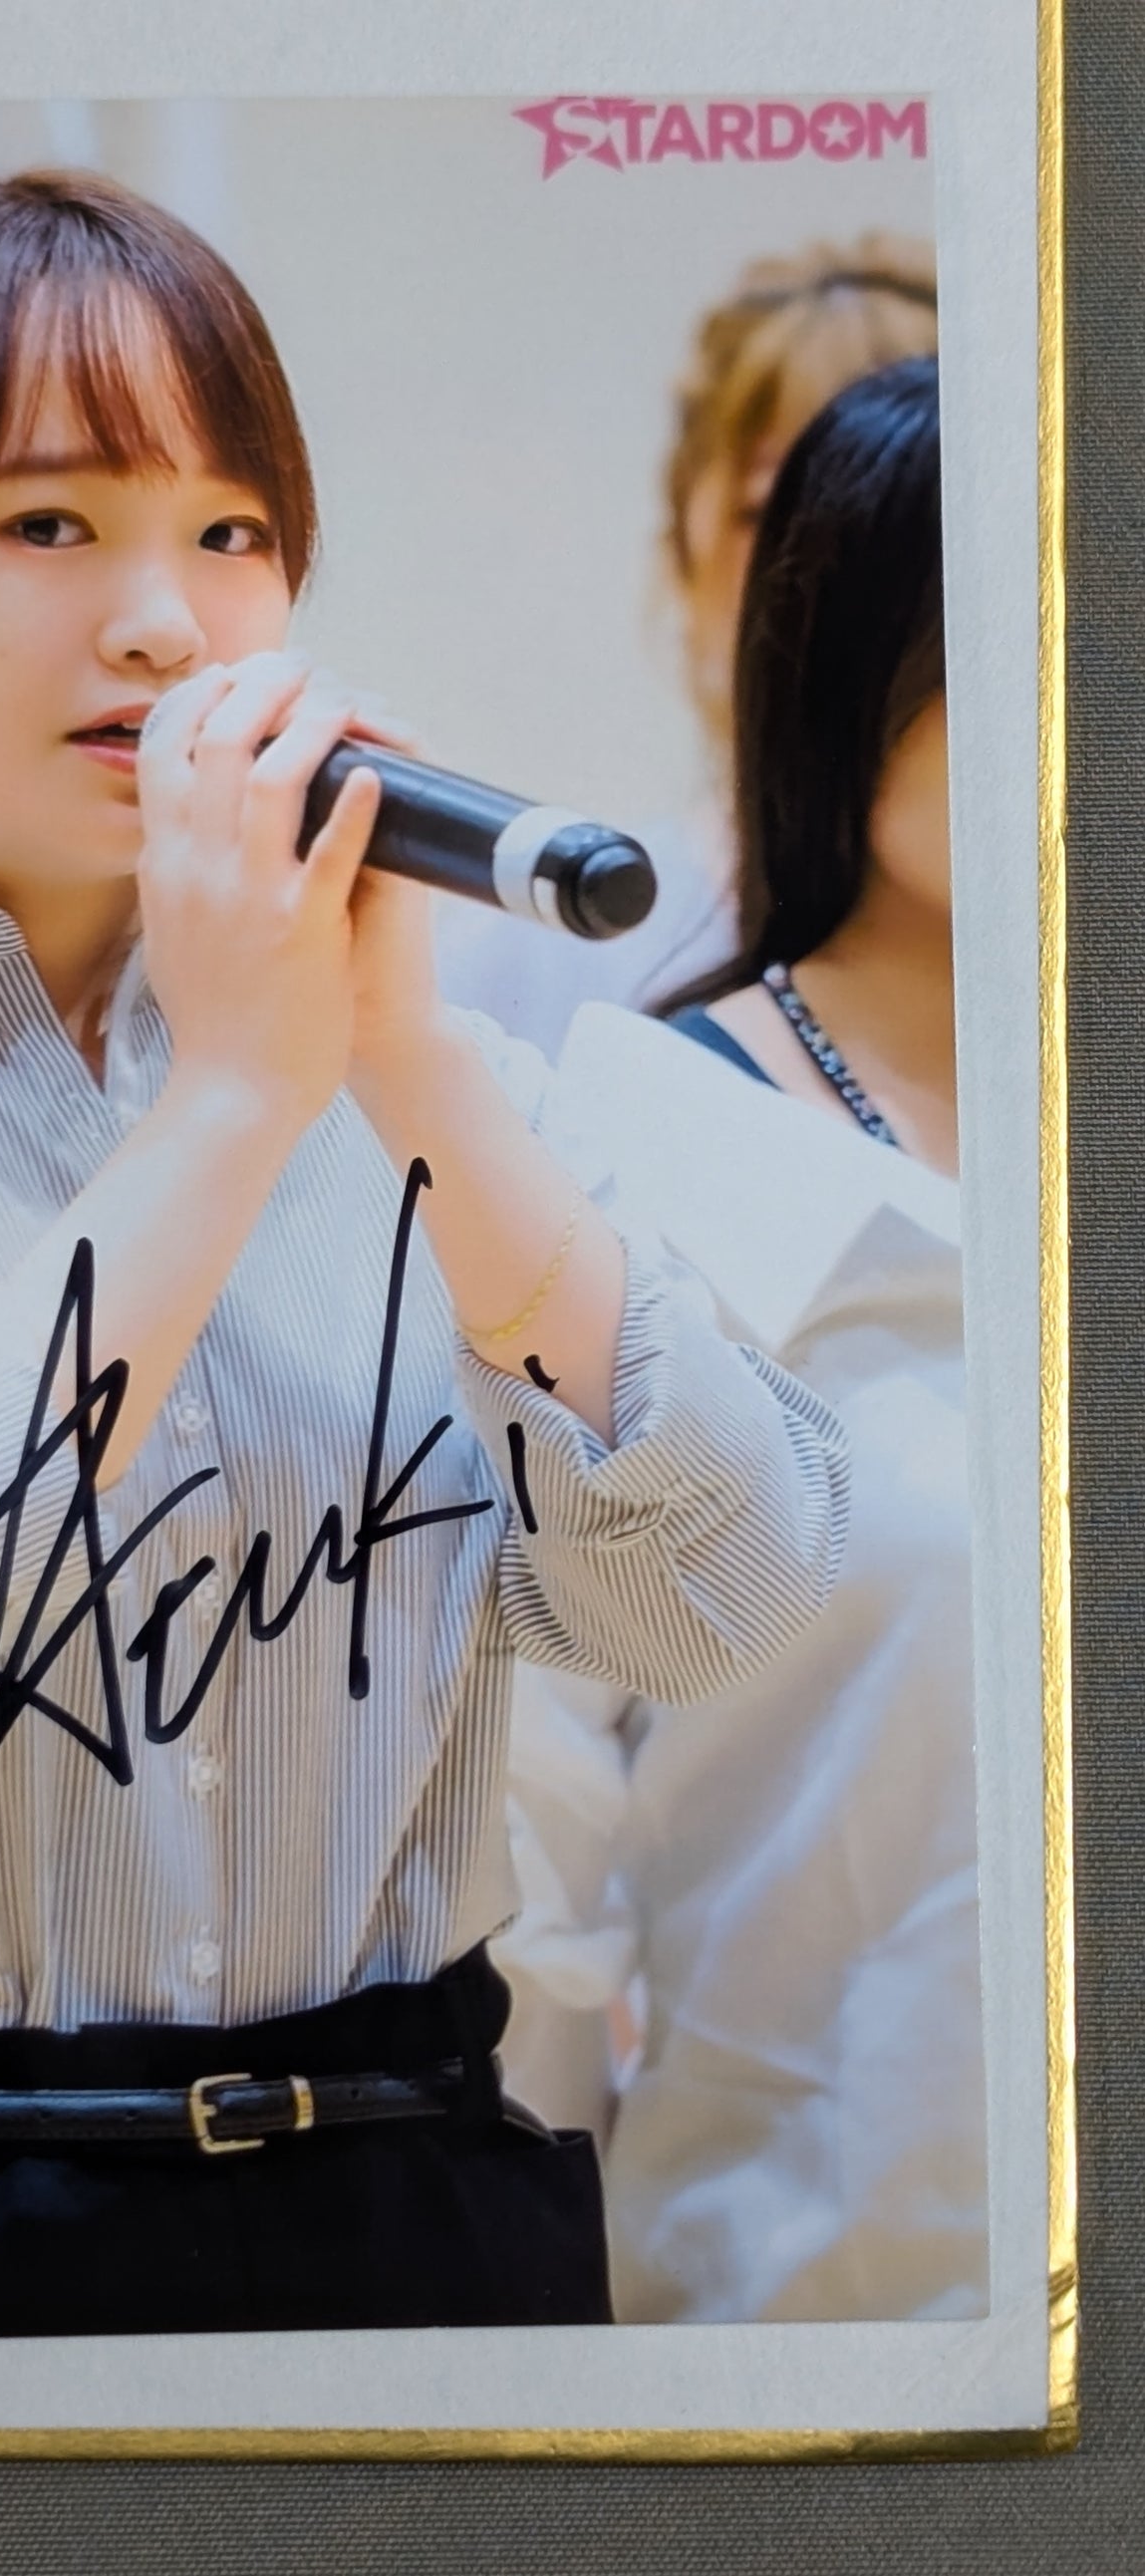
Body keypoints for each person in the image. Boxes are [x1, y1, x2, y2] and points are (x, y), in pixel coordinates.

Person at [0, 168, 848, 2347]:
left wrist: (405, 1068)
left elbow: (729, 1600)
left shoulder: (430, 1094)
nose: (169, 624)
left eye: (229, 530)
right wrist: (225, 1110)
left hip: (417, 2225)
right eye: (48, 523)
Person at [494, 357, 981, 2321]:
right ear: (850, 671)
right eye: (1003, 652)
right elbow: (524, 1837)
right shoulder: (642, 1139)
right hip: (795, 2297)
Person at [436, 234, 938, 1059]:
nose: (836, 581)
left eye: (896, 527)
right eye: (771, 513)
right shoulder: (532, 951)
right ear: (683, 548)